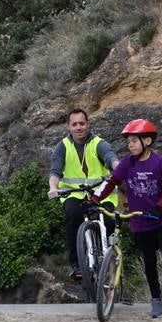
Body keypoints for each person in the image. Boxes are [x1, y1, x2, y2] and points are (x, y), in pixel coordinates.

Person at [94, 118, 162, 317]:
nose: (129, 145)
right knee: (149, 261)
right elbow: (111, 181)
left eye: (134, 140)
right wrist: (95, 198)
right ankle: (156, 300)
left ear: (147, 141)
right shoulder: (127, 164)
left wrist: (159, 208)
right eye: (128, 141)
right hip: (140, 220)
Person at [47, 109, 121, 282]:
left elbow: (111, 157)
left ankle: (111, 256)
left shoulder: (98, 143)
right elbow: (55, 170)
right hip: (74, 194)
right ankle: (77, 265)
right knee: (73, 216)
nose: (79, 127)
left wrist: (118, 169)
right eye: (74, 124)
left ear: (88, 124)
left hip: (101, 193)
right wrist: (53, 187)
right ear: (68, 127)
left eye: (82, 123)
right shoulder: (63, 146)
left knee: (108, 219)